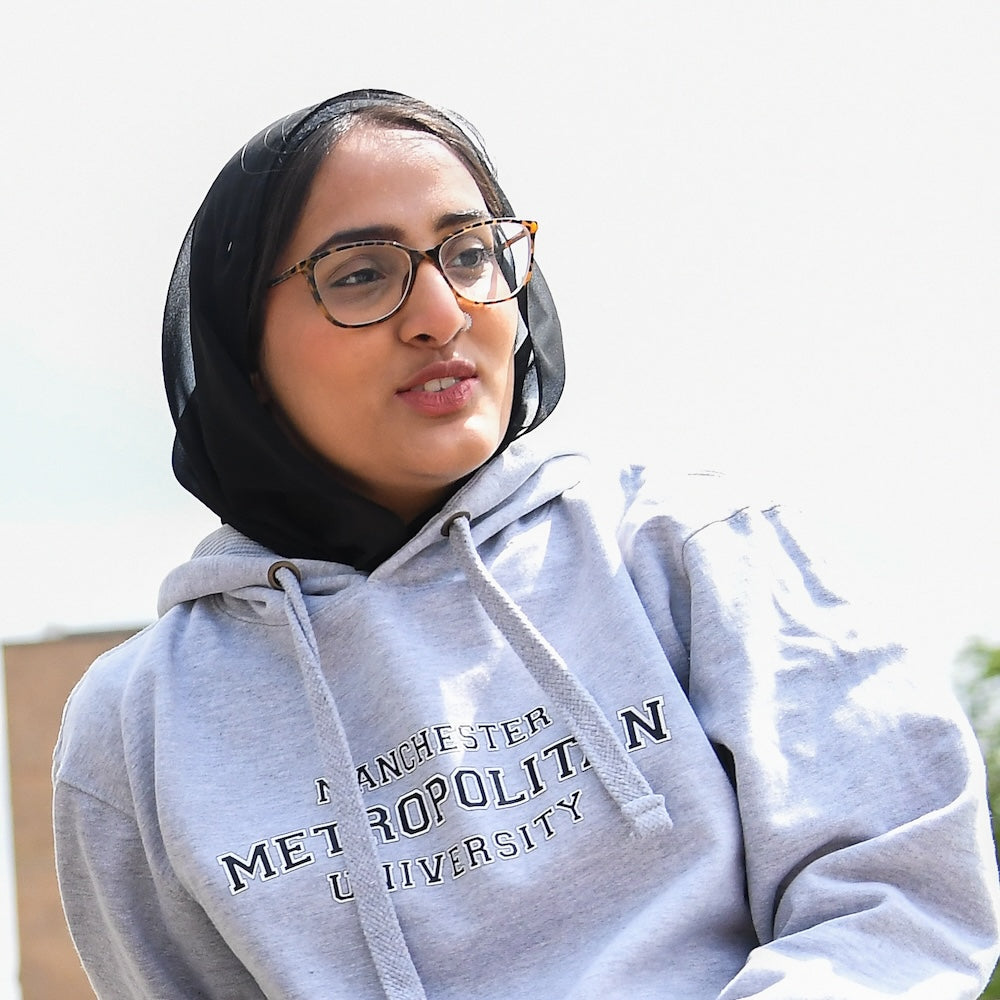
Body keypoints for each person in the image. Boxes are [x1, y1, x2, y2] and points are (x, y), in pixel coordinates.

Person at [53, 88, 1000, 1000]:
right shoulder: (139, 729)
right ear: (242, 356)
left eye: (470, 253)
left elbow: (895, 891)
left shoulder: (692, 554)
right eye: (360, 275)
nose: (441, 313)